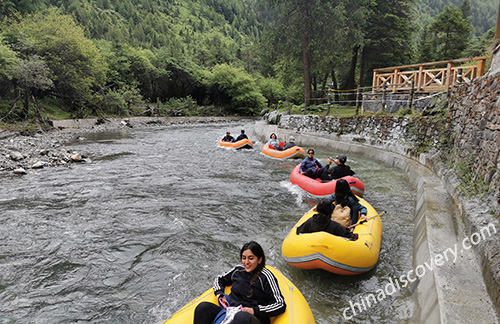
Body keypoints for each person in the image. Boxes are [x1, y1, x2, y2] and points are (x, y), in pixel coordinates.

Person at [193, 241, 286, 324]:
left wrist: (254, 310)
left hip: (252, 318)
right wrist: (219, 294)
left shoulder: (266, 276)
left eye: (251, 258)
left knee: (241, 317)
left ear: (259, 259)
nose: (246, 262)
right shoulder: (238, 271)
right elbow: (219, 279)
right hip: (231, 312)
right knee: (203, 308)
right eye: (244, 258)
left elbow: (280, 304)